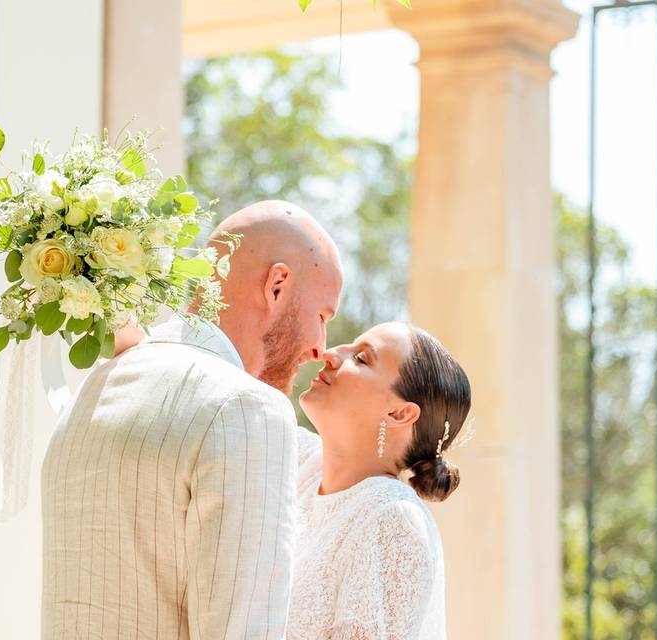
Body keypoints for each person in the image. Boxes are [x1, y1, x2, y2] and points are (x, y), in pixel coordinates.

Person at [41, 200, 343, 639]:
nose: (321, 348)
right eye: (322, 316)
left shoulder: (95, 389)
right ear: (277, 286)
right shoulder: (247, 408)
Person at [288, 321, 471, 639]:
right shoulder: (303, 465)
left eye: (361, 358)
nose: (330, 354)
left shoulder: (391, 518)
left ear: (399, 414)